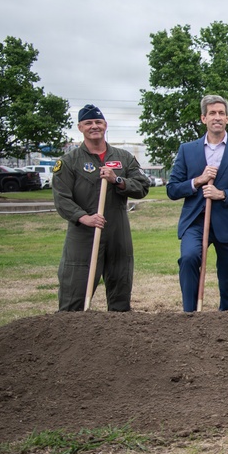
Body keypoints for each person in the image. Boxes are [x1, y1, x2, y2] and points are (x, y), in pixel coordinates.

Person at [52, 104, 151, 311]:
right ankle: (70, 336)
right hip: (84, 232)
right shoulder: (69, 162)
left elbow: (142, 187)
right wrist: (83, 217)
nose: (94, 126)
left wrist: (118, 180)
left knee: (120, 288)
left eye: (98, 122)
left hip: (117, 229)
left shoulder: (123, 157)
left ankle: (118, 337)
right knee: (74, 292)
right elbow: (62, 199)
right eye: (88, 123)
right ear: (80, 127)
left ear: (105, 125)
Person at [167, 95, 228, 311]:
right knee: (189, 257)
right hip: (196, 220)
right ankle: (190, 314)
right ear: (203, 118)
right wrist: (197, 181)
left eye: (221, 113)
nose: (217, 117)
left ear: (227, 118)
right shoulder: (187, 150)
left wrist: (223, 194)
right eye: (212, 113)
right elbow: (172, 189)